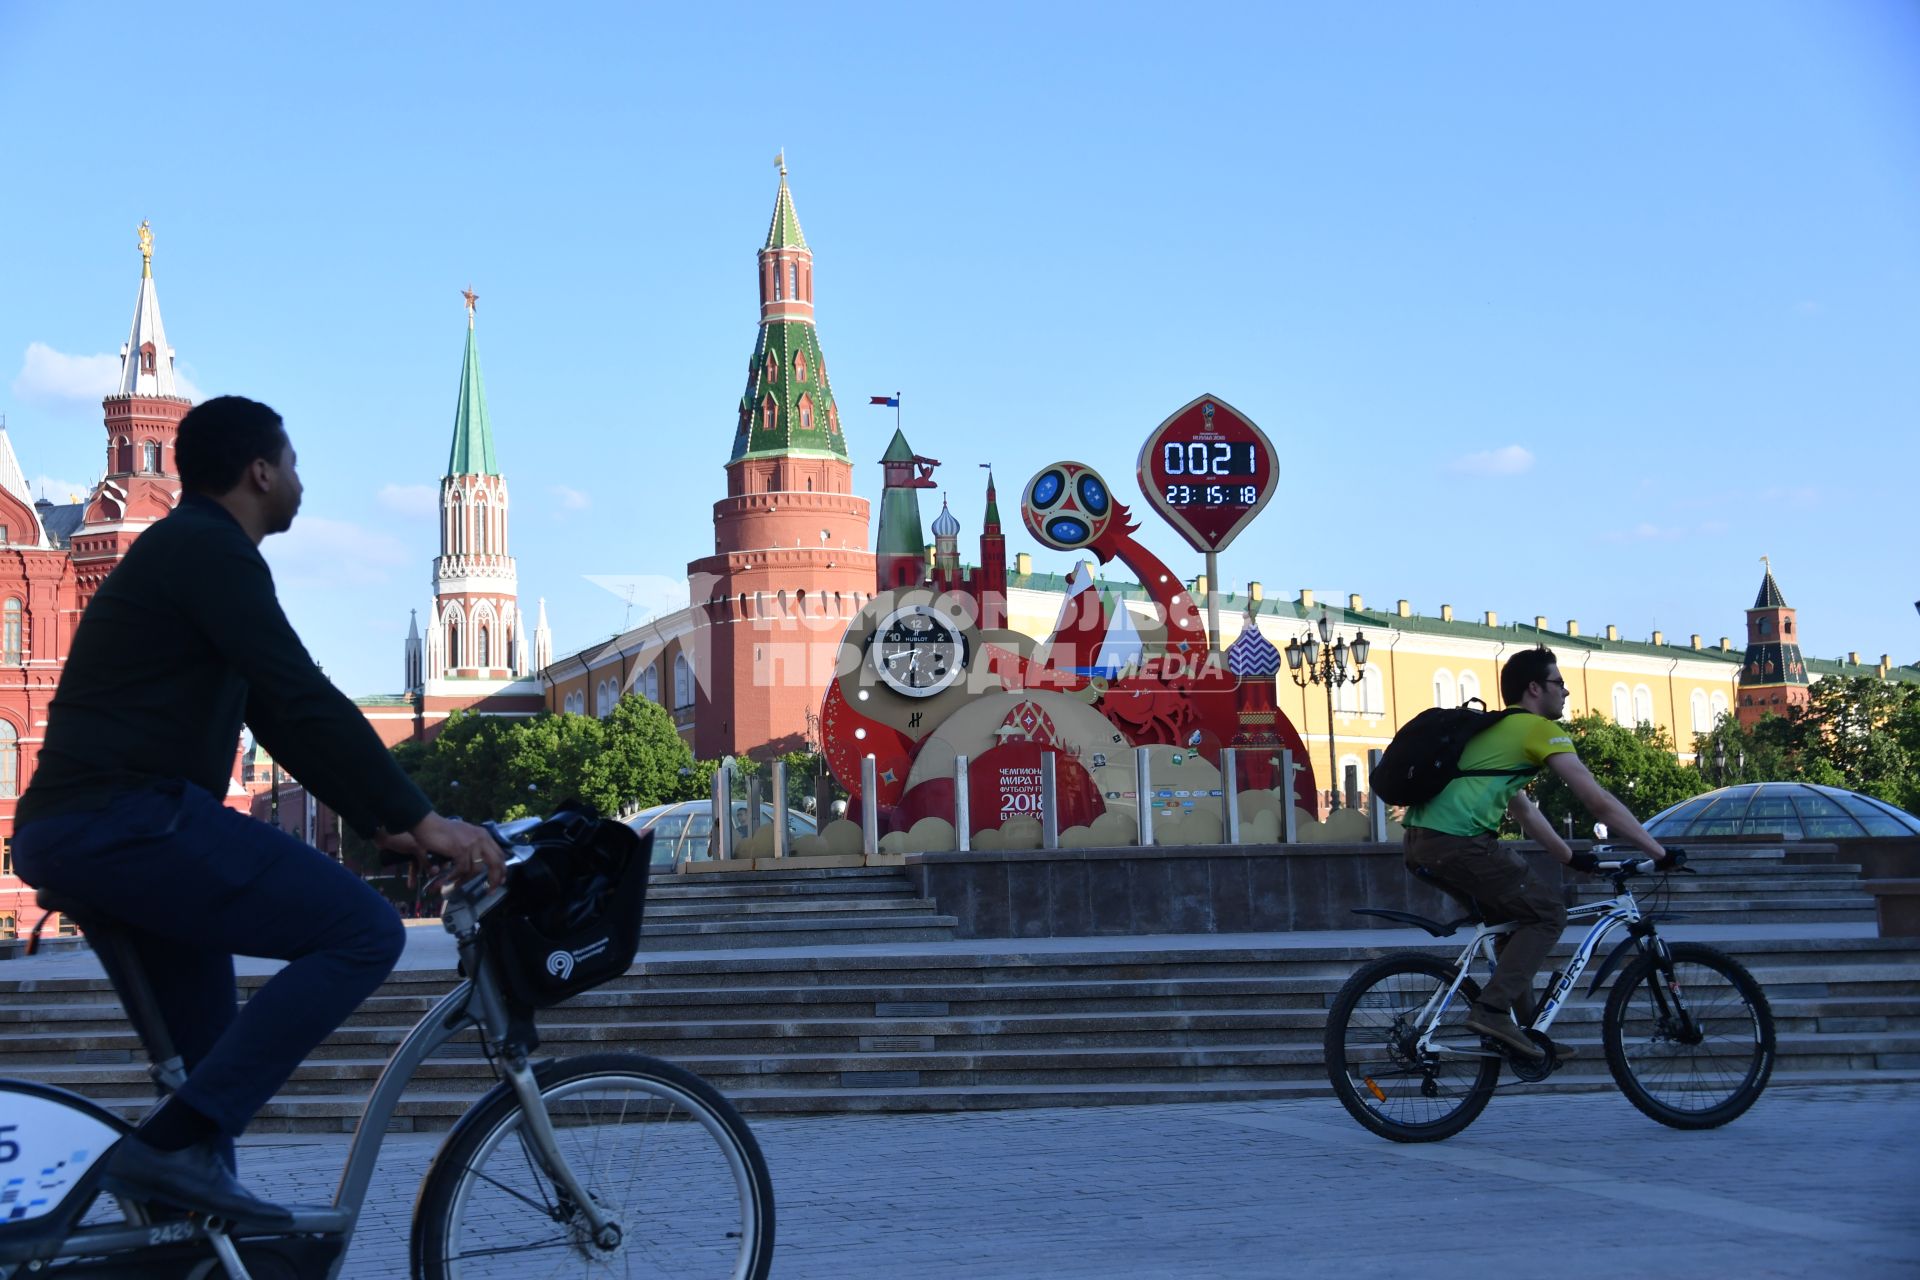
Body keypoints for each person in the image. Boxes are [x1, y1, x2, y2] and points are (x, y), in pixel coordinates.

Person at [12, 396, 505, 1223]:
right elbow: (297, 695)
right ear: (261, 471)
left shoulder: (191, 554)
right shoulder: (209, 551)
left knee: (205, 1063)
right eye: (295, 463)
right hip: (127, 819)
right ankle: (169, 1150)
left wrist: (378, 819)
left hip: (99, 830)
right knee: (364, 932)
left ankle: (188, 1219)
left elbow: (278, 716)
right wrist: (424, 820)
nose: (302, 480)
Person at [1401, 645, 1668, 1060]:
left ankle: (1522, 1033)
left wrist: (1569, 857)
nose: (1565, 693)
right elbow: (1597, 803)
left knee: (1513, 924)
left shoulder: (1497, 730)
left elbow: (1522, 807)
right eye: (1559, 683)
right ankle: (1492, 1011)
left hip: (1420, 843)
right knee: (1548, 911)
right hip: (1460, 843)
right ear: (1534, 688)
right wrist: (1659, 851)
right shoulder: (1536, 730)